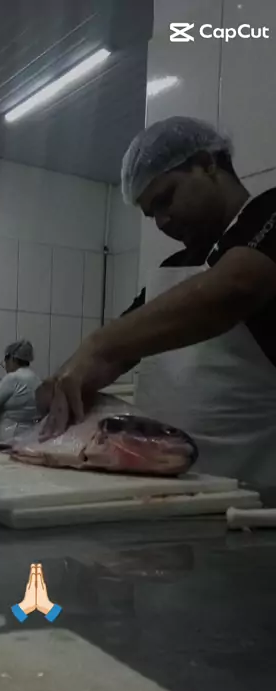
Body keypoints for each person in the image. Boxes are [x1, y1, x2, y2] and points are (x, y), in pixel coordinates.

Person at [38, 116, 276, 487]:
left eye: (166, 198)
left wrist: (98, 345)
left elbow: (237, 286)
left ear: (206, 163)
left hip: (254, 496)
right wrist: (64, 385)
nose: (163, 221)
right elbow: (118, 350)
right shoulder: (172, 270)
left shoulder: (269, 215)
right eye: (151, 214)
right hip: (165, 487)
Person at [0, 340, 41, 441]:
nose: (5, 367)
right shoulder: (36, 379)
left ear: (12, 358)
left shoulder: (13, 378)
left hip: (9, 435)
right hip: (30, 436)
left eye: (6, 362)